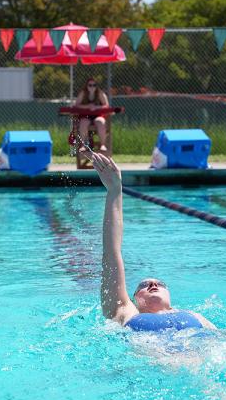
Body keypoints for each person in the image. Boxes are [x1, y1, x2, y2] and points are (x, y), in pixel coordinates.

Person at [88, 151, 216, 331]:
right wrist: (115, 190)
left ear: (171, 297)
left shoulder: (196, 317)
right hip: (156, 358)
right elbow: (112, 251)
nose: (153, 285)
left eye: (160, 284)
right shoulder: (125, 312)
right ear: (133, 299)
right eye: (144, 285)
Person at [74, 78, 110, 155]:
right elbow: (76, 105)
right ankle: (83, 145)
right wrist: (87, 106)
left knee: (101, 122)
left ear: (97, 86)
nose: (92, 87)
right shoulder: (83, 93)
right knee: (83, 123)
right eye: (90, 85)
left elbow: (106, 106)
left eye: (94, 85)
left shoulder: (100, 93)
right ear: (86, 86)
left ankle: (103, 145)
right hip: (85, 115)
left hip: (97, 115)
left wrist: (97, 107)